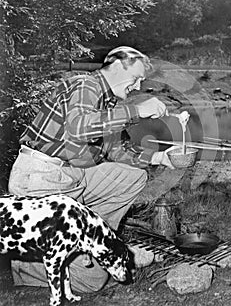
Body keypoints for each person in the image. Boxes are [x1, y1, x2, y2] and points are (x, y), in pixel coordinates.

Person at [8, 46, 174, 293]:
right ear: (117, 66)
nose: (138, 87)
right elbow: (79, 128)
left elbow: (117, 151)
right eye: (136, 78)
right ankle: (31, 267)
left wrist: (160, 157)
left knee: (131, 178)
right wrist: (137, 110)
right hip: (41, 176)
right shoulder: (87, 85)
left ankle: (90, 240)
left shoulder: (109, 103)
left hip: (69, 175)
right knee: (91, 283)